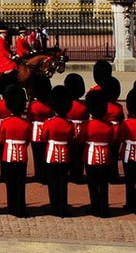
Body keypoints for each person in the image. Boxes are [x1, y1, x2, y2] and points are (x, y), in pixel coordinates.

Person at [0, 85, 31, 218]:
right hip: (22, 154)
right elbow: (28, 140)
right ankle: (20, 207)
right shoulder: (26, 123)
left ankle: (11, 207)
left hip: (8, 154)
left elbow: (1, 139)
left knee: (10, 183)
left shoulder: (5, 123)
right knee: (20, 182)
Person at [80, 90, 114, 217]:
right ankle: (104, 208)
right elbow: (111, 141)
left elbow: (81, 140)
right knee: (104, 184)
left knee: (93, 184)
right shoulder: (109, 125)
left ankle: (95, 207)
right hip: (105, 156)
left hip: (90, 156)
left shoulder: (87, 125)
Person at [43, 85, 75, 217]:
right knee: (63, 182)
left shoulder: (49, 122)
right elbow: (70, 141)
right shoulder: (69, 124)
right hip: (65, 154)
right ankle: (62, 207)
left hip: (51, 154)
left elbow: (44, 137)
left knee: (52, 182)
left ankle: (54, 206)